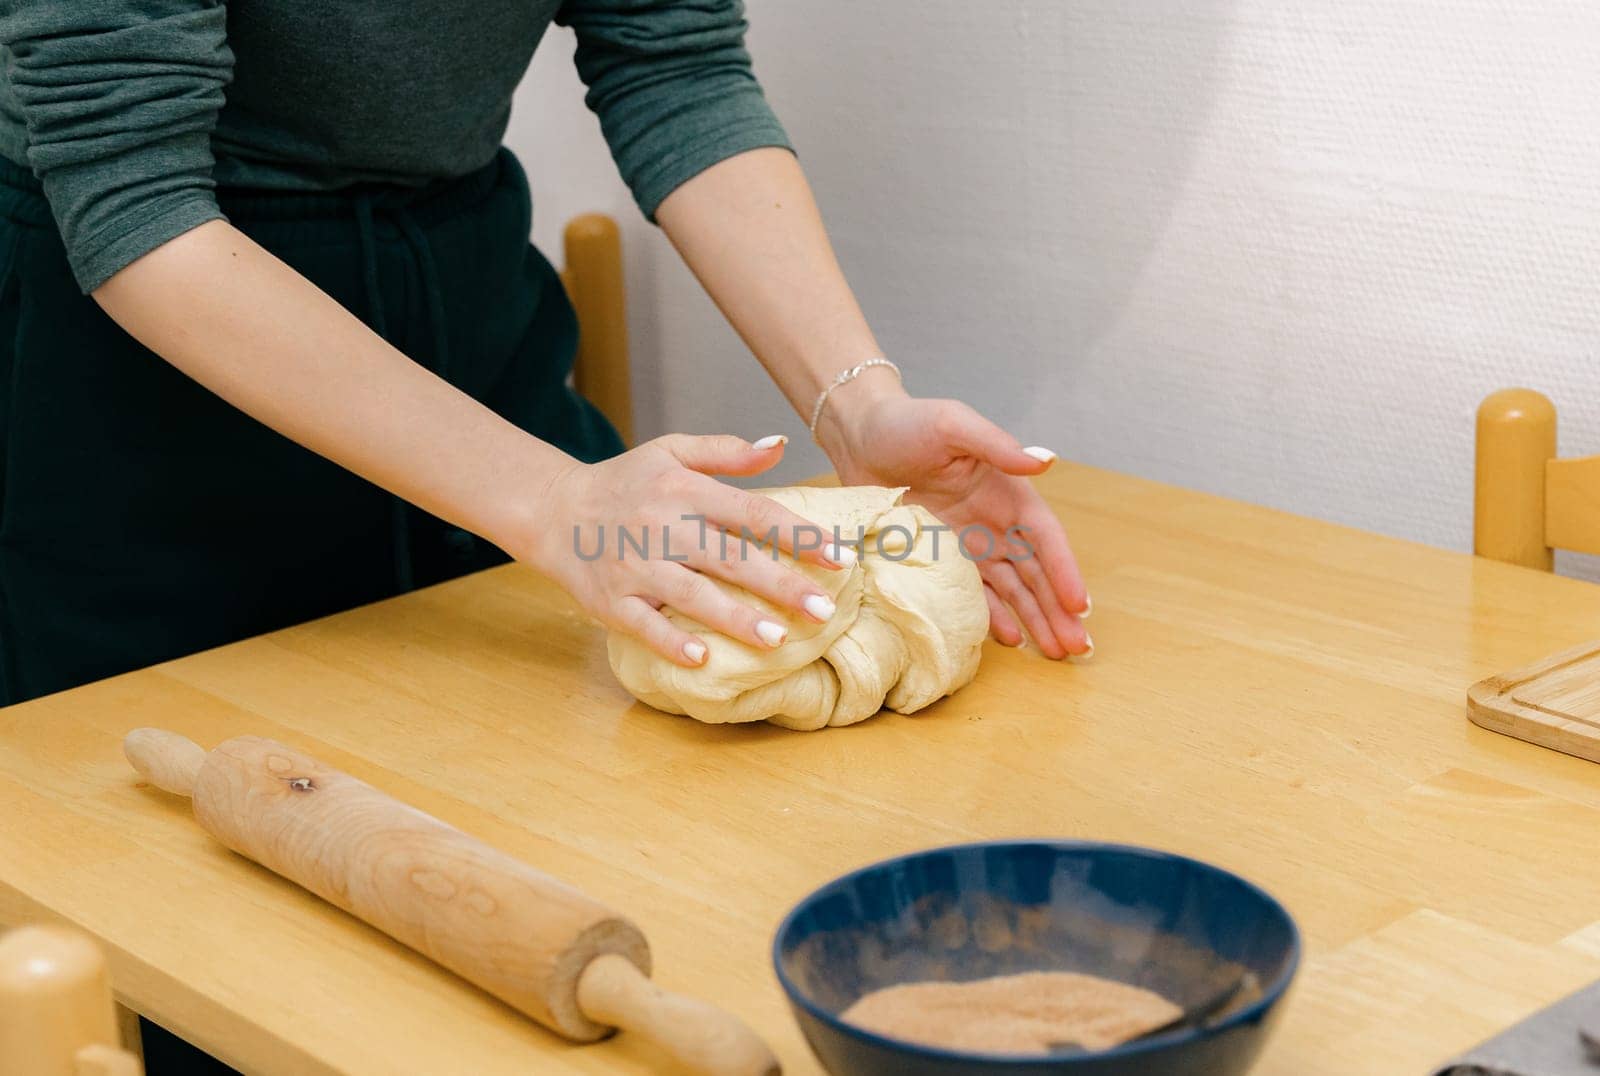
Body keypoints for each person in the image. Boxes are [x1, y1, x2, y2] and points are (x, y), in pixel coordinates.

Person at [0, 0, 1090, 1068]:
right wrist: (552, 504)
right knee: (234, 953)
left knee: (567, 861)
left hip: (465, 300)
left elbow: (674, 60)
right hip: (138, 370)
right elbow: (130, 188)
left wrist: (856, 408)